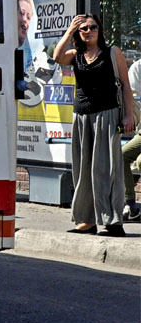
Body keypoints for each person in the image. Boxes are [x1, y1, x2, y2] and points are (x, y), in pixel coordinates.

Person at [53, 14, 134, 236]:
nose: (89, 31)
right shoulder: (76, 54)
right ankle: (86, 221)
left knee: (107, 169)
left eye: (93, 27)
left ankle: (112, 222)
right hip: (82, 116)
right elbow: (57, 56)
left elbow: (126, 85)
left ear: (100, 29)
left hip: (107, 114)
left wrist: (128, 115)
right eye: (84, 28)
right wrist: (70, 31)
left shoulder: (112, 52)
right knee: (83, 170)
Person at [122, 59, 141, 222]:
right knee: (122, 155)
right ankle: (130, 203)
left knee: (140, 162)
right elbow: (134, 97)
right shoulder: (138, 68)